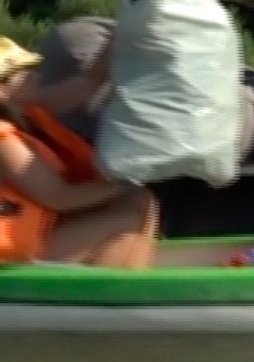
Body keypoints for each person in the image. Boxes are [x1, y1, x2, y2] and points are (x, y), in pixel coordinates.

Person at [0, 37, 159, 269]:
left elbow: (88, 83)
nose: (34, 75)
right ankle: (113, 297)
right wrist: (128, 178)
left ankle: (128, 289)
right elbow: (59, 198)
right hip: (14, 254)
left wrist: (122, 35)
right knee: (128, 219)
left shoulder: (29, 113)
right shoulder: (3, 139)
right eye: (20, 72)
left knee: (139, 203)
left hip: (40, 234)